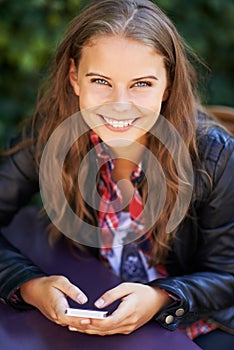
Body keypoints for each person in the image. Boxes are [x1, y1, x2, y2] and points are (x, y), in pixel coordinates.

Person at [0, 0, 233, 349]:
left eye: (141, 84)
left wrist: (160, 299)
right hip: (94, 305)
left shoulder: (214, 154)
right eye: (100, 81)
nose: (119, 104)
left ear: (167, 86)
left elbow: (227, 274)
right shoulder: (48, 136)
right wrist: (29, 286)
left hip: (199, 324)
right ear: (74, 77)